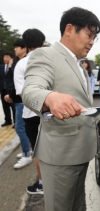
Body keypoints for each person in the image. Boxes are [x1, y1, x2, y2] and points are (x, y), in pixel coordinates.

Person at [22, 7, 100, 211]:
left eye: (95, 37)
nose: (92, 41)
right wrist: (50, 96)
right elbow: (30, 90)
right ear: (69, 29)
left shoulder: (78, 63)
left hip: (80, 151)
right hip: (60, 156)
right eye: (89, 34)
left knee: (77, 205)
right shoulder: (46, 55)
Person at [14, 29, 46, 193]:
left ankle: (42, 184)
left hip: (32, 114)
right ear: (42, 43)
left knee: (38, 150)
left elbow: (22, 93)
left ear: (25, 45)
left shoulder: (20, 65)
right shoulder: (52, 60)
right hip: (53, 113)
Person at [4, 38, 33, 169]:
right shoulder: (19, 62)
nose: (14, 49)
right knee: (22, 128)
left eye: (17, 47)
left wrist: (10, 96)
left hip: (21, 101)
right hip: (19, 100)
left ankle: (27, 154)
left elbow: (18, 85)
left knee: (20, 128)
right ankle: (27, 150)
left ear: (24, 48)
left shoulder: (23, 63)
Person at [0, 51, 16, 127]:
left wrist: (10, 66)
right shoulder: (1, 67)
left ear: (11, 59)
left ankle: (16, 122)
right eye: (5, 57)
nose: (6, 58)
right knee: (5, 106)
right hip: (3, 90)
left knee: (13, 107)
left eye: (7, 57)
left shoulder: (15, 66)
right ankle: (8, 120)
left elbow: (15, 76)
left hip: (11, 91)